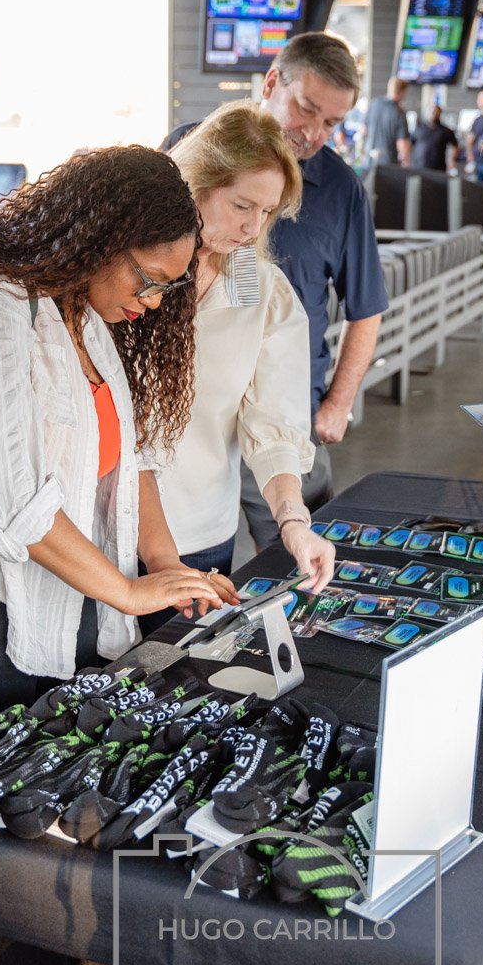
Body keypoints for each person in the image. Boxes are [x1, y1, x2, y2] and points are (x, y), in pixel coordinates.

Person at [0, 146, 237, 769]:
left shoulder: (78, 313)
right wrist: (128, 592)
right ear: (95, 239)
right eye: (148, 279)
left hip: (60, 591)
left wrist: (169, 571)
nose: (155, 302)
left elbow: (129, 457)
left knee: (49, 790)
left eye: (170, 287)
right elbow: (10, 502)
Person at [164, 34, 388, 547]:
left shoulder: (261, 281)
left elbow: (362, 307)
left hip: (285, 399)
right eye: (306, 109)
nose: (312, 132)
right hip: (181, 436)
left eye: (331, 123)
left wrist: (337, 403)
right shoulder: (191, 149)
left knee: (294, 558)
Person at [153, 102, 334, 603]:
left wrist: (293, 521)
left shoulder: (257, 287)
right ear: (195, 185)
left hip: (201, 537)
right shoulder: (130, 281)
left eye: (267, 212)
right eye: (241, 206)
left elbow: (272, 424)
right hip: (105, 534)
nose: (254, 228)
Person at [360, 76, 411, 166]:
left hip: (369, 161)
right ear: (403, 92)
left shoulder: (374, 104)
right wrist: (406, 163)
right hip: (388, 165)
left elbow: (363, 130)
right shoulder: (399, 113)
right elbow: (402, 145)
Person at [410, 103, 458, 170]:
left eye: (436, 111)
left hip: (438, 168)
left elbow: (455, 145)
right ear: (426, 113)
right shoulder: (418, 128)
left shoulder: (446, 131)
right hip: (419, 166)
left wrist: (452, 160)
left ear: (440, 113)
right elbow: (410, 144)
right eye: (431, 111)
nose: (433, 113)